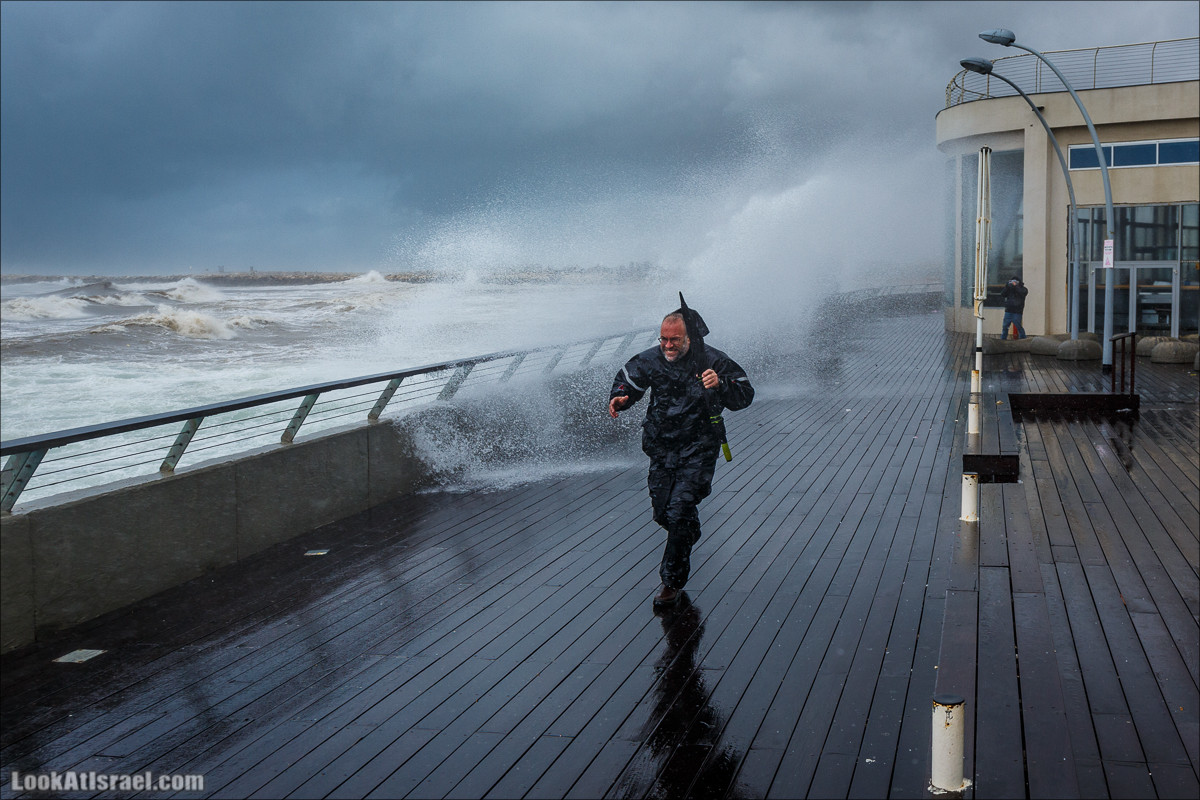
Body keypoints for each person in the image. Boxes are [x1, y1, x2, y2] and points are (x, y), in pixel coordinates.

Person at [608, 296, 754, 608]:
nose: (668, 345)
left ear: (690, 338)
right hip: (661, 449)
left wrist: (721, 385)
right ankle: (687, 529)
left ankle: (670, 583)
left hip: (699, 449)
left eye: (675, 340)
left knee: (678, 511)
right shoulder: (651, 359)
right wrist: (620, 398)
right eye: (663, 338)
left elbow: (744, 395)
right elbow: (628, 380)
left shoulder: (713, 361)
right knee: (663, 512)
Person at [1000, 274, 1028, 339]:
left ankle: (1023, 339)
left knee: (1018, 326)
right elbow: (1003, 294)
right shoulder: (1009, 289)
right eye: (1012, 281)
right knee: (1005, 326)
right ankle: (1003, 339)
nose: (1013, 283)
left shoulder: (1023, 289)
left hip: (1017, 311)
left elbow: (1023, 292)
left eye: (1016, 282)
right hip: (1008, 310)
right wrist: (1007, 286)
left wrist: (1016, 286)